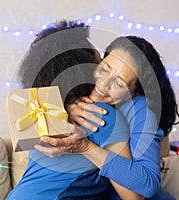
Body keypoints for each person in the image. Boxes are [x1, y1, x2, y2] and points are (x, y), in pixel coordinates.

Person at [36, 35, 179, 199]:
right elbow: (17, 102)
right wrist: (69, 106)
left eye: (119, 83)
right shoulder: (84, 93)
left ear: (134, 92)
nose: (104, 84)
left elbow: (147, 186)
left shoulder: (141, 110)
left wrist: (86, 147)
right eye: (104, 69)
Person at [7, 20, 133, 200]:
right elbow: (133, 194)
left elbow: (21, 147)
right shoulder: (102, 116)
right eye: (97, 63)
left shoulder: (39, 111)